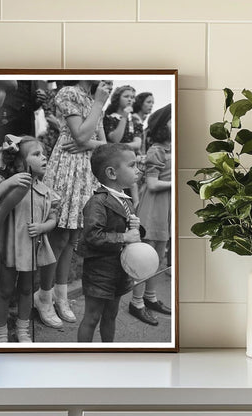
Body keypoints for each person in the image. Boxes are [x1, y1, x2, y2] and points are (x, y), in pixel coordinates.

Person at [42, 80, 111, 324]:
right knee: (59, 237)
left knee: (73, 238)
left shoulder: (93, 101)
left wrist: (89, 142)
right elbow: (80, 134)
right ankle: (43, 296)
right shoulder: (69, 92)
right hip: (67, 165)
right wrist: (100, 103)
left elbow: (102, 143)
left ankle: (60, 296)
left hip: (85, 170)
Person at [0, 135, 60, 343]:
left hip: (31, 249)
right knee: (4, 290)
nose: (44, 158)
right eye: (36, 154)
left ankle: (23, 331)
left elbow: (53, 220)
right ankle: (0, 333)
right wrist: (10, 182)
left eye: (44, 154)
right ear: (21, 162)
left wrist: (42, 227)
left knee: (27, 290)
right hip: (7, 249)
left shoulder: (46, 192)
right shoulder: (4, 183)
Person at [77, 143, 142, 342]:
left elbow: (128, 230)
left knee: (111, 315)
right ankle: (82, 358)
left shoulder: (126, 200)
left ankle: (108, 351)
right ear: (112, 173)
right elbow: (92, 236)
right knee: (92, 317)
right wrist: (124, 237)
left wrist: (136, 227)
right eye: (132, 165)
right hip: (99, 271)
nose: (137, 170)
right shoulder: (97, 202)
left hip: (120, 269)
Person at [133, 104, 172, 322]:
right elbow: (152, 184)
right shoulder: (156, 150)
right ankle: (136, 302)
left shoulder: (170, 149)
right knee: (146, 258)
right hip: (153, 207)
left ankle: (151, 297)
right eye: (171, 119)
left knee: (159, 256)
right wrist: (176, 181)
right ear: (162, 126)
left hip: (164, 208)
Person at [103, 85, 143, 207]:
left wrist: (117, 146)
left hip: (130, 159)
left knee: (132, 185)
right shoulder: (109, 117)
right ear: (117, 98)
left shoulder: (135, 121)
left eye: (132, 97)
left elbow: (137, 144)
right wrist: (124, 117)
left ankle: (135, 206)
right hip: (114, 160)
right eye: (126, 96)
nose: (130, 99)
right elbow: (115, 138)